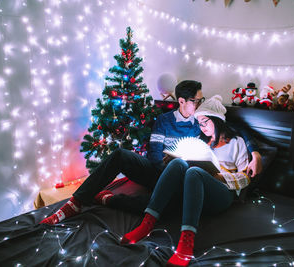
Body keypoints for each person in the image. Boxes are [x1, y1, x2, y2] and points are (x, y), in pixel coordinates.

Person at [40, 80, 261, 225]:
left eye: (202, 100)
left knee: (169, 203)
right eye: (197, 100)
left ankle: (113, 201)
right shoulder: (164, 121)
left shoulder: (201, 124)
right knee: (120, 155)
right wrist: (166, 165)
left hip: (181, 177)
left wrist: (256, 153)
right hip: (159, 170)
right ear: (182, 102)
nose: (200, 104)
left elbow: (232, 130)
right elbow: (154, 153)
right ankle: (76, 202)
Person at [121, 95, 250, 267]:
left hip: (222, 194)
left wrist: (221, 177)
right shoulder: (200, 141)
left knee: (195, 172)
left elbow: (246, 177)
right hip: (196, 188)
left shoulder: (236, 142)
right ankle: (147, 223)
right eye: (200, 123)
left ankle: (186, 242)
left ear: (217, 121)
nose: (202, 127)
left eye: (205, 122)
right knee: (178, 163)